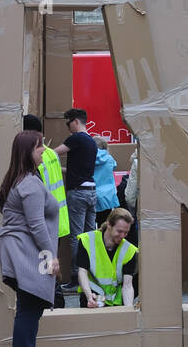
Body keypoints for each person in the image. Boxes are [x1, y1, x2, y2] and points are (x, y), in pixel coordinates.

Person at [0, 129, 59, 347]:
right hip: (27, 252)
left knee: (29, 308)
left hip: (19, 249)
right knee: (29, 310)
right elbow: (36, 224)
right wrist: (50, 255)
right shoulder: (30, 185)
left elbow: (3, 207)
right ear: (27, 152)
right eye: (39, 147)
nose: (44, 150)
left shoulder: (17, 179)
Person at [49, 109, 97, 290]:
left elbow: (52, 154)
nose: (67, 128)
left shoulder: (76, 138)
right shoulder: (91, 141)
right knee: (91, 237)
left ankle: (77, 276)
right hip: (92, 192)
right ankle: (91, 275)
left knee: (76, 238)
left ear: (75, 121)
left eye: (67, 124)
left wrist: (40, 150)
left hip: (77, 194)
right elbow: (78, 170)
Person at [24, 114, 68, 309]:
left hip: (43, 222)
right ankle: (56, 302)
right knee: (49, 264)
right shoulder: (51, 153)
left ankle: (54, 303)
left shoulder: (35, 156)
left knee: (45, 266)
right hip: (57, 219)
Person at [75, 208, 138, 307]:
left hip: (114, 299)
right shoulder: (87, 240)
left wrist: (128, 310)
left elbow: (128, 285)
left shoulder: (129, 250)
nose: (123, 236)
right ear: (109, 225)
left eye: (126, 232)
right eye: (119, 231)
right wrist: (89, 297)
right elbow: (82, 272)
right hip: (93, 294)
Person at [92, 137, 120, 230]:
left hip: (93, 194)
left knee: (90, 225)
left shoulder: (89, 158)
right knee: (104, 225)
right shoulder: (110, 159)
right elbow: (114, 166)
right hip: (108, 197)